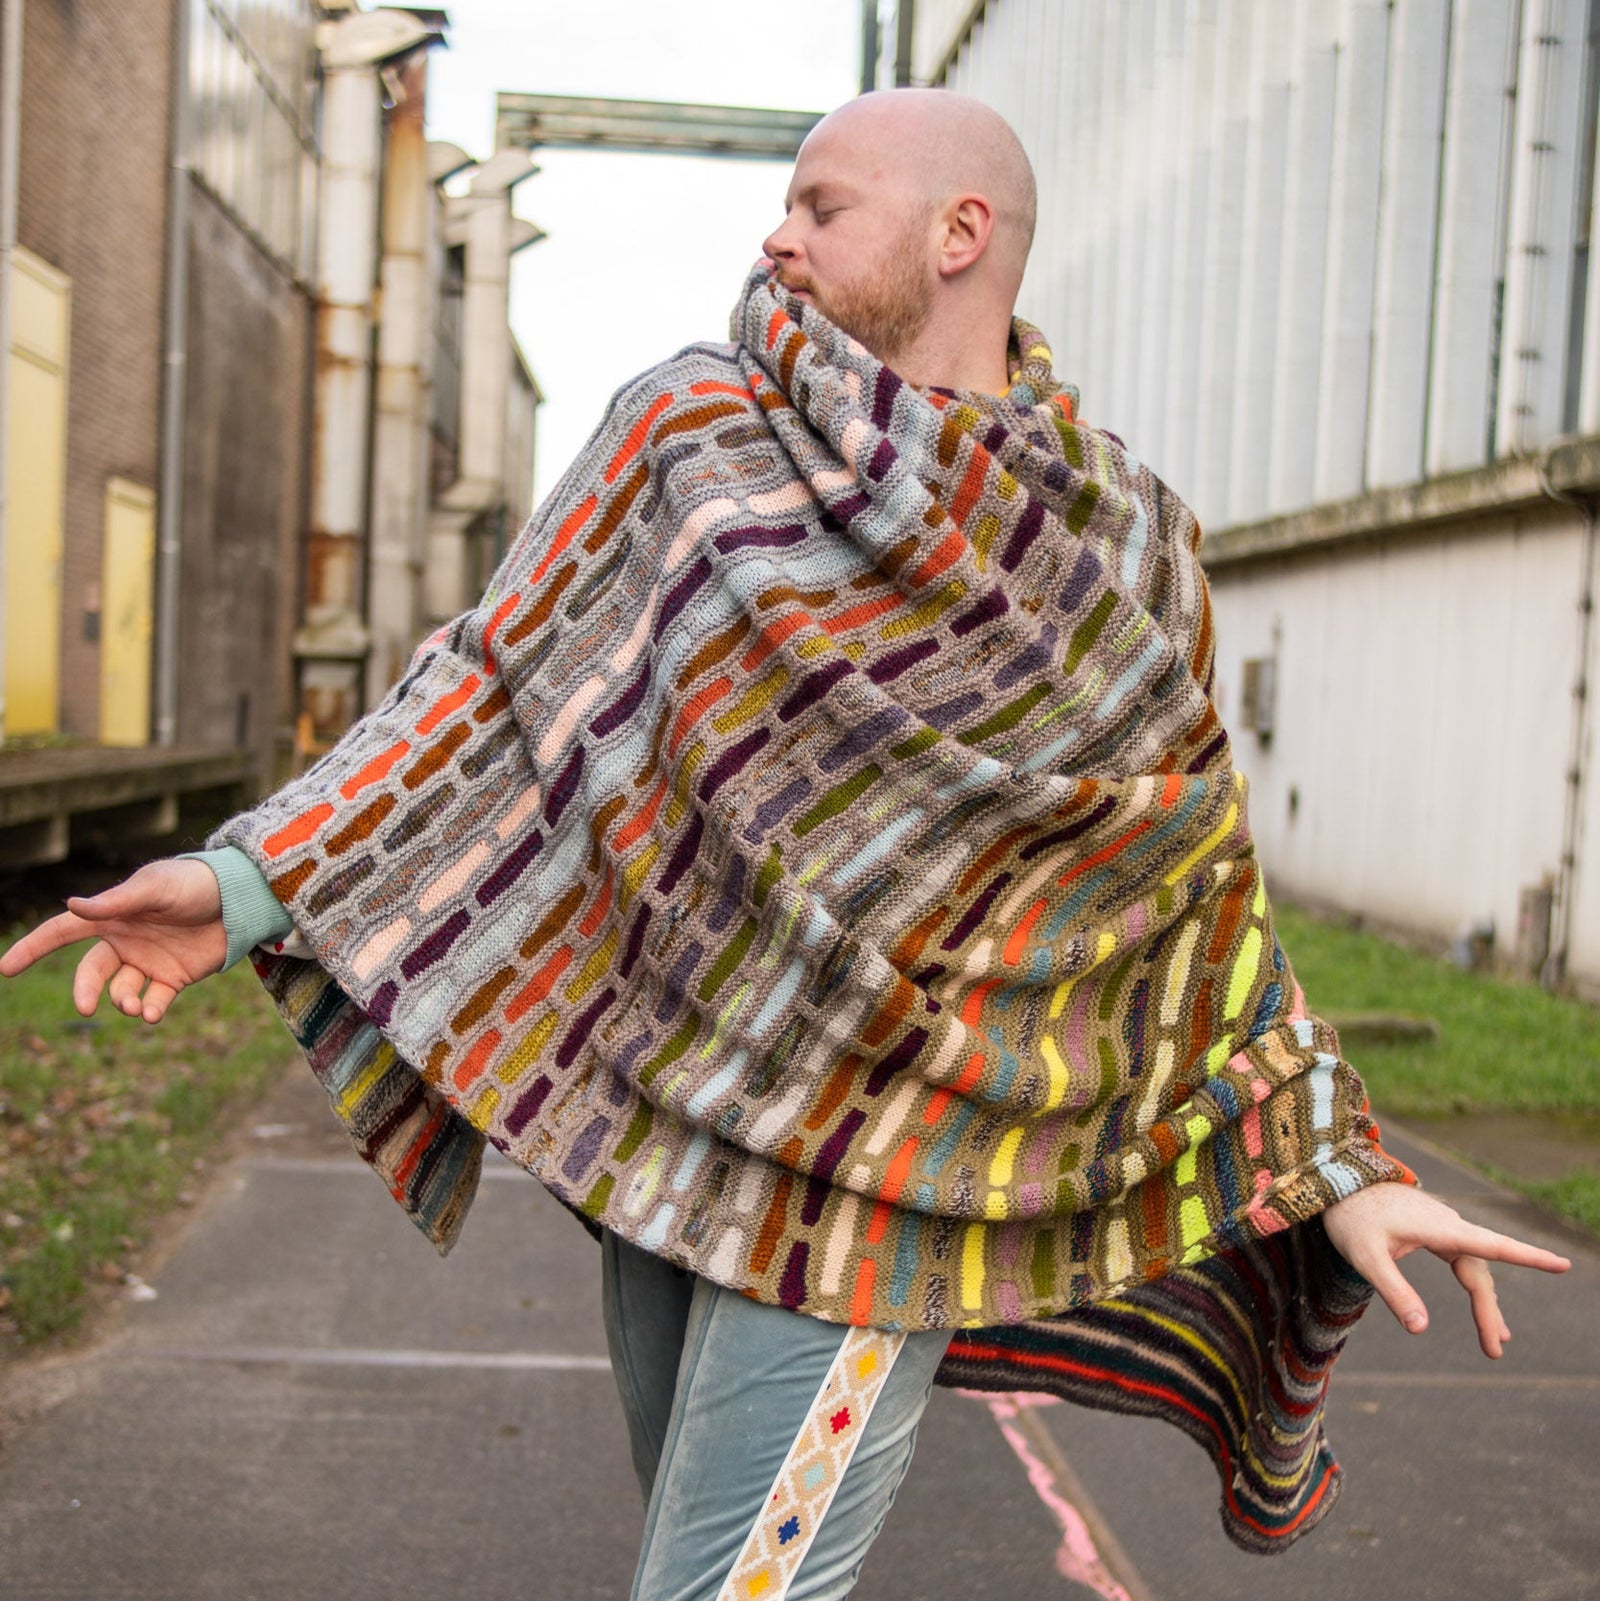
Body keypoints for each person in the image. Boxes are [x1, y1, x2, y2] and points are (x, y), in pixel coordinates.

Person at [1, 90, 1570, 1600]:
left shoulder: (1118, 542)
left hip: (892, 1187)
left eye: (822, 206)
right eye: (785, 207)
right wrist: (243, 878)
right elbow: (493, 684)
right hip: (673, 1140)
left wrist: (1328, 1162)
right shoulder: (691, 438)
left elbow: (1180, 898)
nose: (780, 240)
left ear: (962, 231)